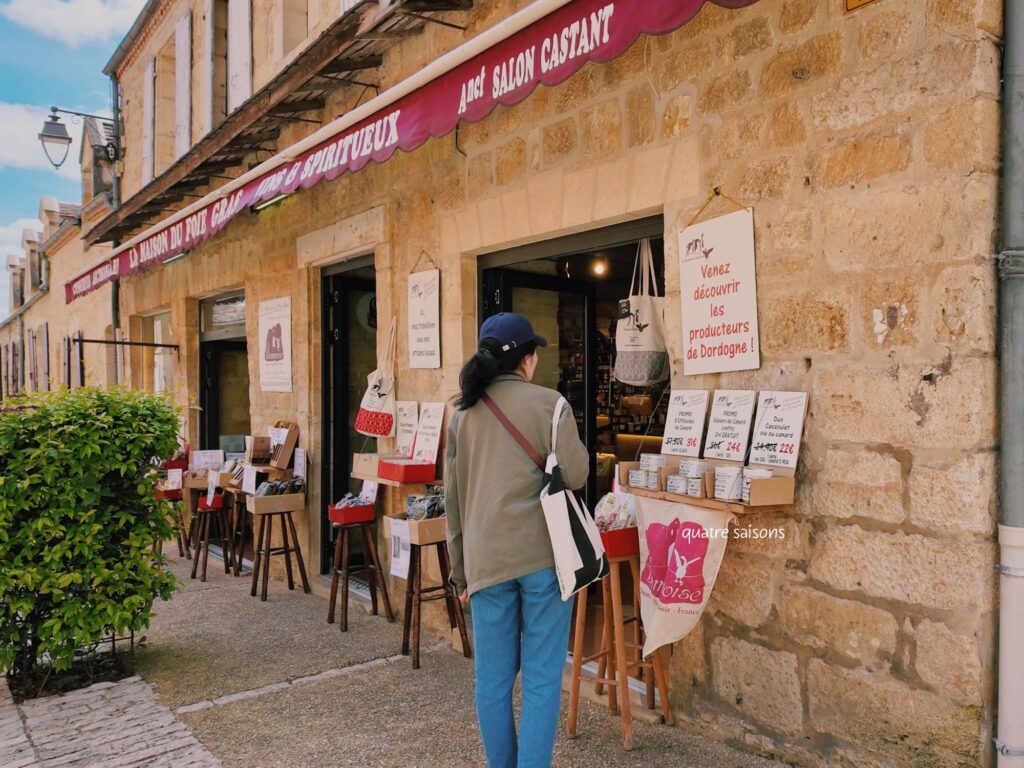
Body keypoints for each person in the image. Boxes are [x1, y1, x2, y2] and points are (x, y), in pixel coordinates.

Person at [446, 312, 589, 768]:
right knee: (543, 678)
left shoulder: (462, 414)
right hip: (544, 556)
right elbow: (580, 474)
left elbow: (453, 500)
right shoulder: (552, 404)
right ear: (527, 360)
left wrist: (459, 571)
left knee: (492, 680)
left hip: (486, 560)